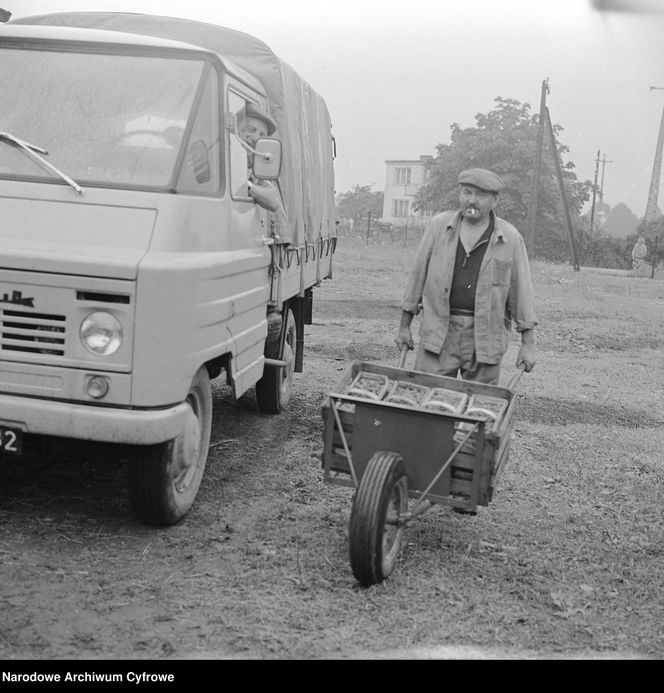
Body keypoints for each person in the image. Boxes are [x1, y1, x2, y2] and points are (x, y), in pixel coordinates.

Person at [396, 168, 537, 385]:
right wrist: (405, 326)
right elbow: (417, 276)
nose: (472, 201)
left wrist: (528, 344)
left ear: (495, 200)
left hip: (485, 337)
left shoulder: (510, 238)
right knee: (426, 401)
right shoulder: (439, 227)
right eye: (467, 193)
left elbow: (522, 294)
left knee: (478, 409)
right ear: (460, 194)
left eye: (481, 195)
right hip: (439, 331)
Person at [236, 103, 289, 236]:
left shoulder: (255, 169)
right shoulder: (219, 156)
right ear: (236, 129)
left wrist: (248, 186)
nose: (255, 138)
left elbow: (274, 201)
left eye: (261, 134)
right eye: (251, 129)